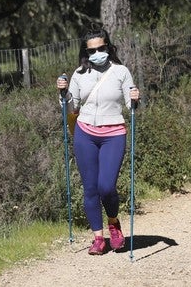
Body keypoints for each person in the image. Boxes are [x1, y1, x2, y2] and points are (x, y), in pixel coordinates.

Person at [55, 27, 140, 255]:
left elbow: (130, 103)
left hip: (113, 133)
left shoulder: (121, 71)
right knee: (90, 188)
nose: (97, 53)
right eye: (92, 50)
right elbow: (71, 107)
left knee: (106, 186)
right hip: (85, 133)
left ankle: (113, 223)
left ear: (108, 48)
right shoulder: (79, 74)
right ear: (86, 52)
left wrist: (134, 99)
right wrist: (63, 94)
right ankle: (97, 238)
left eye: (101, 48)